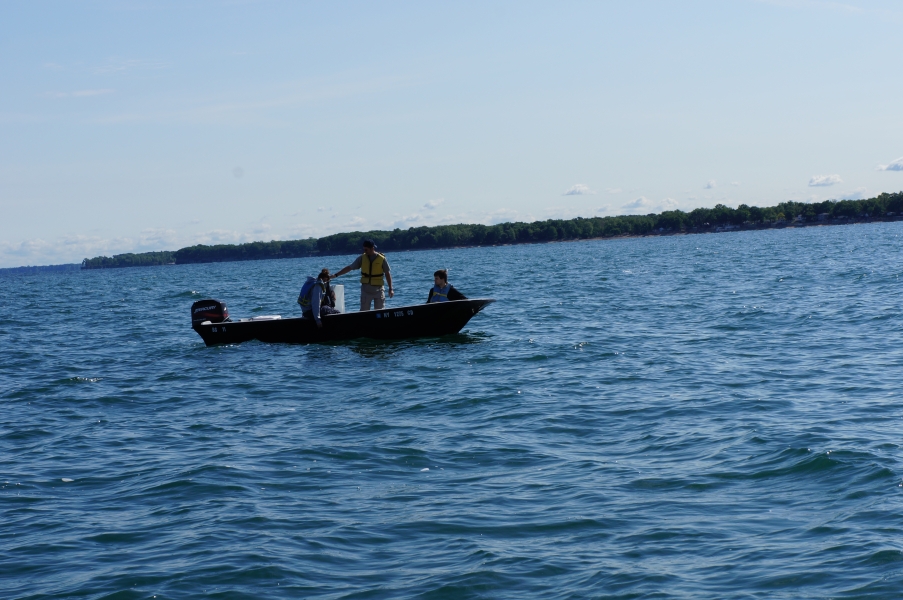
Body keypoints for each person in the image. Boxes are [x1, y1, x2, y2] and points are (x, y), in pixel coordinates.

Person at [331, 239, 395, 311]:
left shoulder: (382, 259)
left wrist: (390, 288)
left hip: (379, 290)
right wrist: (336, 275)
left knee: (379, 313)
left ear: (372, 248)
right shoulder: (362, 258)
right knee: (364, 313)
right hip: (366, 290)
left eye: (366, 250)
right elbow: (350, 267)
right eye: (364, 249)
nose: (364, 251)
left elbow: (387, 273)